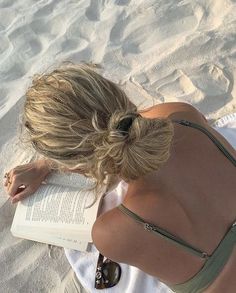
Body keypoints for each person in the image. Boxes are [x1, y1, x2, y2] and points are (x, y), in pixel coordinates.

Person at [4, 63, 236, 292]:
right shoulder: (181, 114)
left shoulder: (116, 230)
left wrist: (48, 163)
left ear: (75, 168)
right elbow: (130, 125)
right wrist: (47, 162)